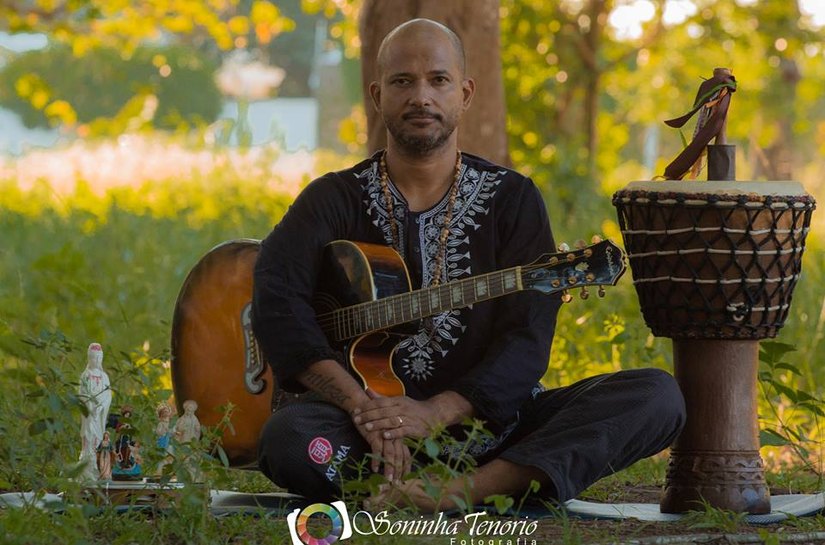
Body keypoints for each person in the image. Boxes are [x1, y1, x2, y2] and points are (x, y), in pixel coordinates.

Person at [252, 18, 685, 511]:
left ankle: (463, 490)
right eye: (402, 81)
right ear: (376, 95)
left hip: (496, 428)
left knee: (656, 397)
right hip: (360, 430)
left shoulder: (512, 199)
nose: (421, 97)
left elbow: (528, 336)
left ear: (465, 92)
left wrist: (436, 412)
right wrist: (364, 408)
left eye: (438, 80)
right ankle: (456, 484)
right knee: (289, 439)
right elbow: (276, 298)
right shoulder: (331, 199)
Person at [79, 342, 111, 482]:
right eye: (93, 358)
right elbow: (82, 394)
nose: (96, 361)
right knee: (88, 437)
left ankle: (99, 467)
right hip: (90, 413)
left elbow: (108, 394)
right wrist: (91, 407)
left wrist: (101, 406)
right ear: (89, 358)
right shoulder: (85, 375)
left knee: (98, 439)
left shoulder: (104, 376)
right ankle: (86, 468)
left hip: (99, 414)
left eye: (98, 358)